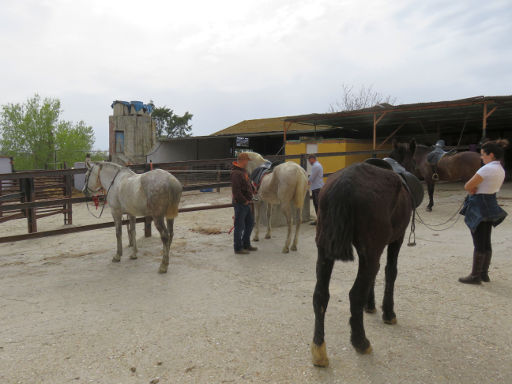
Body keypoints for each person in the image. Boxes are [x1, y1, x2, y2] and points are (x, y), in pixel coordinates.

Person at [459, 139, 508, 284]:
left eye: (483, 154)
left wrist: (471, 188)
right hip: (490, 203)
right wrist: (474, 188)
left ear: (491, 154)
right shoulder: (500, 168)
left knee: (479, 242)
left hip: (479, 205)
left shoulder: (486, 169)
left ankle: (475, 276)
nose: (481, 157)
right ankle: (484, 273)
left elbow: (468, 185)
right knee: (486, 241)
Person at [231, 152, 258, 255]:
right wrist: (245, 200)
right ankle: (238, 248)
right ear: (242, 160)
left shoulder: (243, 171)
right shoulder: (236, 173)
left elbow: (247, 182)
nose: (247, 162)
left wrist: (253, 188)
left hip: (245, 203)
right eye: (247, 160)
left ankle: (246, 244)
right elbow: (236, 191)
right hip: (241, 203)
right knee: (239, 226)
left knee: (250, 224)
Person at [308, 154, 324, 225]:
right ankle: (319, 219)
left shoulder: (316, 166)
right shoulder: (317, 165)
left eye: (309, 160)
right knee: (317, 204)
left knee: (317, 204)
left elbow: (312, 177)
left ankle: (320, 220)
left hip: (317, 187)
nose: (309, 162)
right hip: (317, 187)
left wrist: (307, 181)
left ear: (312, 159)